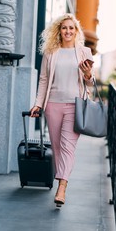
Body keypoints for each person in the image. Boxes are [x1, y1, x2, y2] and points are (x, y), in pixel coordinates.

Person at [30, 13, 94, 207]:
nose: (68, 31)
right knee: (57, 147)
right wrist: (38, 104)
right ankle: (61, 181)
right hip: (53, 105)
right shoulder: (51, 53)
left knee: (68, 146)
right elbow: (43, 80)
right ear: (59, 30)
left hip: (75, 106)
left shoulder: (84, 52)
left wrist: (87, 74)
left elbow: (90, 83)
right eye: (64, 27)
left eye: (71, 28)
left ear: (76, 32)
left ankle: (62, 187)